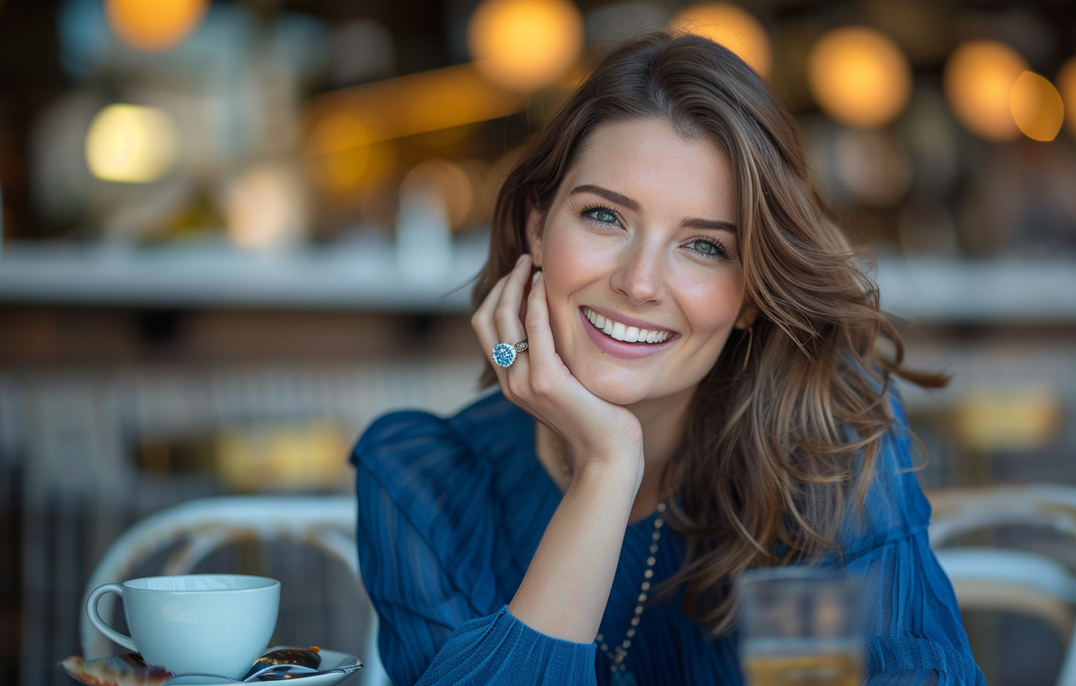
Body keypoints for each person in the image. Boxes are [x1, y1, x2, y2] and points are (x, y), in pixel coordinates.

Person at [352, 32, 985, 686]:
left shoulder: (813, 453)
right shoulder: (425, 486)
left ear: (750, 296)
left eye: (706, 247)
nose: (641, 282)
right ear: (537, 226)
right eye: (604, 216)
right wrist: (607, 465)